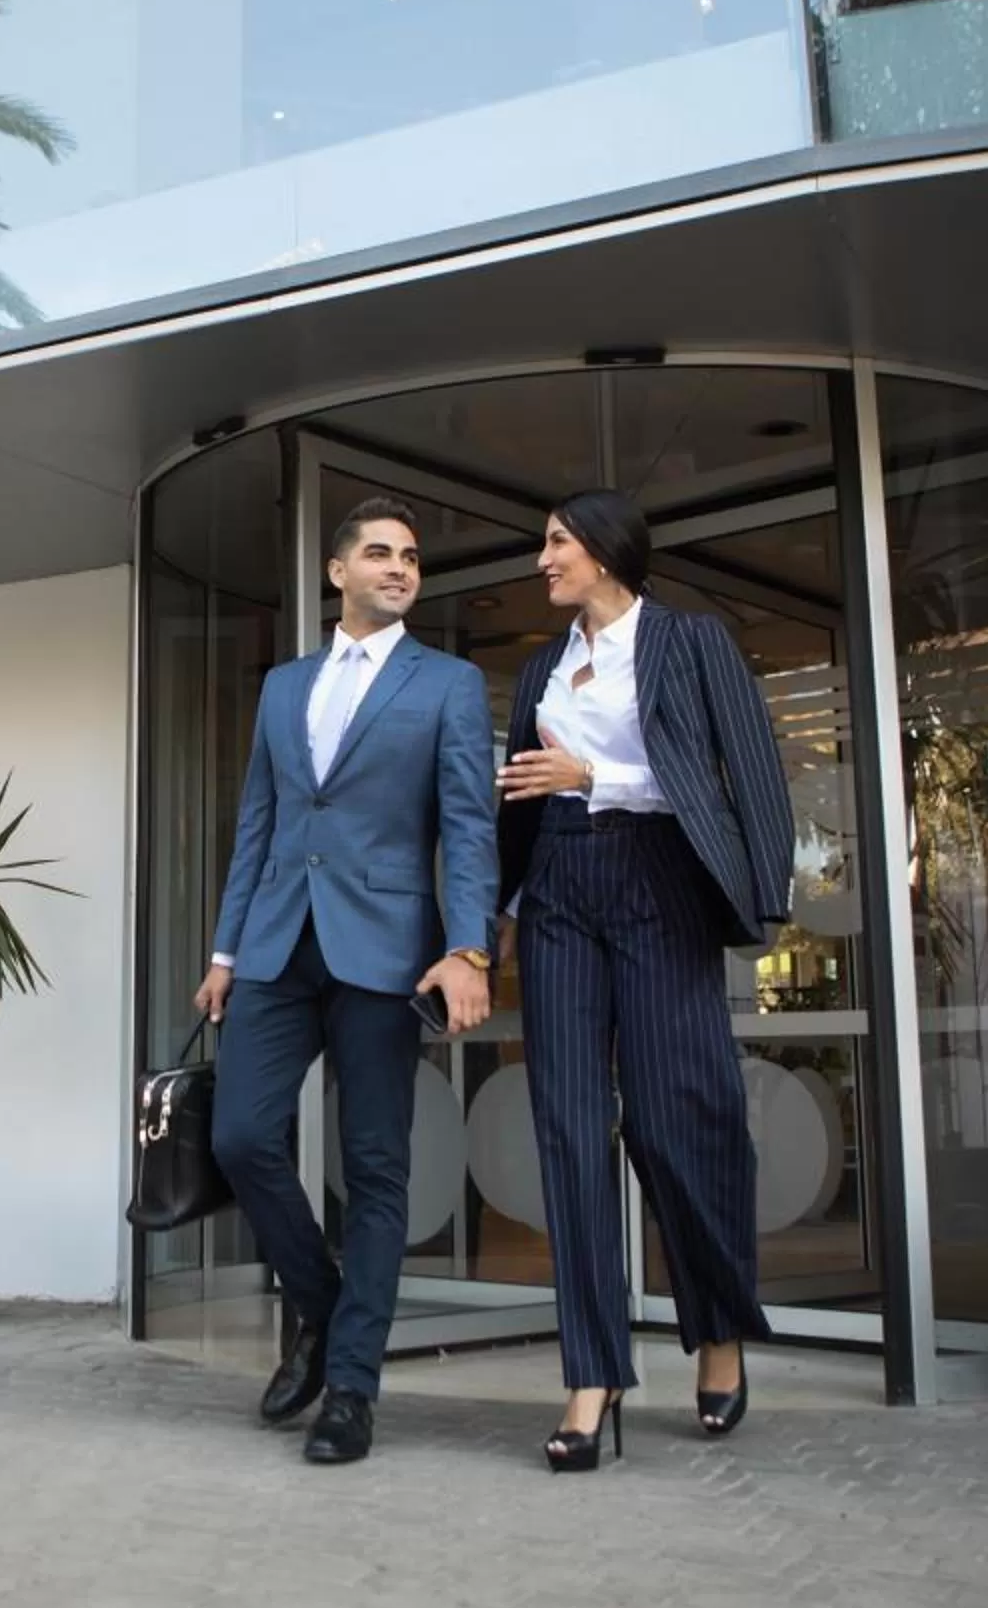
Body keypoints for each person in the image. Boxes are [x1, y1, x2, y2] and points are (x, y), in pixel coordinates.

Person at [495, 487, 793, 1472]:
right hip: (559, 888)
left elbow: (746, 772)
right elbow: (520, 804)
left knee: (679, 1120)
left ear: (606, 550)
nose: (543, 559)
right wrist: (497, 914)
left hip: (660, 880)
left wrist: (765, 895)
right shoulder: (541, 666)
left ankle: (719, 1328)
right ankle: (593, 1372)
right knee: (570, 1130)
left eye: (557, 542)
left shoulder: (691, 642)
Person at [196, 496, 498, 1466]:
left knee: (375, 1169)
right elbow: (260, 821)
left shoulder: (447, 683)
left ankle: (353, 1388)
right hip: (278, 945)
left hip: (387, 951)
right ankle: (326, 1315)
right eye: (379, 553)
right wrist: (225, 952)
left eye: (410, 556)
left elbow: (469, 825)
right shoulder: (285, 686)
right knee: (241, 1135)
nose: (400, 567)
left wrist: (470, 947)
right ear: (338, 572)